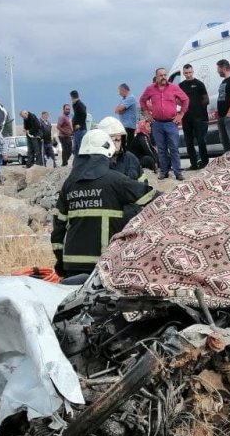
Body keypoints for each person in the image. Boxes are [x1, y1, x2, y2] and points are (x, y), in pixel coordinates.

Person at [50, 129, 156, 280]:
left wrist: (61, 260)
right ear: (107, 154)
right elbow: (151, 198)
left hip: (72, 265)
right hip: (105, 265)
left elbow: (58, 227)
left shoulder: (69, 184)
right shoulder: (116, 180)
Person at [139, 67, 191, 180]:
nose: (163, 77)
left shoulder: (173, 87)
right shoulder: (150, 89)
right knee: (161, 149)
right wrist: (147, 114)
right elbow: (142, 100)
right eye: (161, 75)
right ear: (156, 77)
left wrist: (181, 114)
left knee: (174, 149)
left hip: (171, 123)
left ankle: (178, 172)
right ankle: (164, 171)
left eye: (165, 75)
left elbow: (186, 99)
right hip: (157, 124)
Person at [178, 64, 210, 170]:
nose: (188, 75)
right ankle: (194, 164)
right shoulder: (181, 85)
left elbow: (206, 100)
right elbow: (176, 99)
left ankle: (204, 162)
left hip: (199, 117)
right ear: (183, 73)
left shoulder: (199, 84)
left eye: (190, 72)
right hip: (186, 118)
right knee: (188, 142)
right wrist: (183, 106)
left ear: (193, 72)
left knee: (201, 141)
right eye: (186, 73)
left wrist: (198, 108)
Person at [70, 91, 88, 157]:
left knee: (80, 148)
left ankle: (82, 162)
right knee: (76, 149)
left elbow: (84, 114)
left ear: (72, 97)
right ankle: (77, 162)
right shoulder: (76, 104)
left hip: (80, 130)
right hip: (77, 130)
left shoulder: (79, 104)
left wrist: (80, 124)